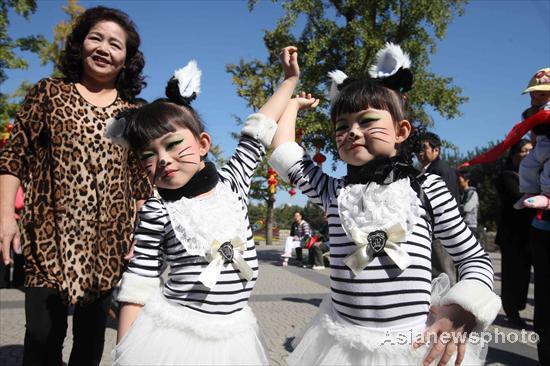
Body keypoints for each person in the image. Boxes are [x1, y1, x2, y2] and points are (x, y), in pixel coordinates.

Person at [269, 43, 501, 365]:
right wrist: (292, 98)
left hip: (411, 346)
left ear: (401, 131)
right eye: (342, 126)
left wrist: (463, 309)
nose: (352, 132)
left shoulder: (426, 189)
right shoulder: (333, 191)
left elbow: (474, 258)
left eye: (366, 121)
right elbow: (284, 149)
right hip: (342, 346)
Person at [111, 47, 301, 365]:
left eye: (173, 145)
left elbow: (260, 127)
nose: (163, 160)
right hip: (178, 336)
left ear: (202, 144)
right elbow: (137, 285)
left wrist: (290, 80)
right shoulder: (157, 211)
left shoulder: (232, 183)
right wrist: (123, 354)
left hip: (235, 335)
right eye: (148, 155)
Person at [0, 7, 153, 366]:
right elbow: (12, 158)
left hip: (107, 245)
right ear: (80, 44)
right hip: (47, 237)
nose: (103, 48)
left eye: (115, 44)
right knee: (41, 337)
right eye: (95, 38)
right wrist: (6, 215)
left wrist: (138, 235)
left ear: (126, 58)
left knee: (89, 341)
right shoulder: (48, 94)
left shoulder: (132, 113)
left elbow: (140, 182)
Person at [495, 139, 535, 328]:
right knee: (512, 276)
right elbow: (518, 198)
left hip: (529, 234)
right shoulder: (508, 175)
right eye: (524, 150)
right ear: (514, 154)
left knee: (524, 275)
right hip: (512, 235)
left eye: (531, 150)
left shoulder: (533, 174)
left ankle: (517, 307)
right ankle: (512, 311)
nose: (528, 153)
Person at [417, 131, 459, 284]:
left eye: (424, 148)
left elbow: (443, 205)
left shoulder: (438, 171)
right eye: (418, 150)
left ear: (436, 150)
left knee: (445, 275)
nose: (420, 153)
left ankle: (449, 306)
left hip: (441, 233)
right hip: (438, 232)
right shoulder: (431, 169)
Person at [514, 67, 550, 209]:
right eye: (533, 95)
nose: (536, 98)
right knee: (526, 165)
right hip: (540, 146)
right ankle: (529, 191)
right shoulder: (535, 110)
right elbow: (529, 128)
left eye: (542, 94)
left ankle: (547, 196)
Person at [457, 170, 479, 235]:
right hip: (461, 226)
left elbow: (467, 208)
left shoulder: (473, 193)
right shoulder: (461, 193)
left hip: (470, 226)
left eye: (459, 180)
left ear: (467, 180)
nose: (458, 182)